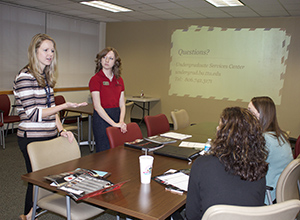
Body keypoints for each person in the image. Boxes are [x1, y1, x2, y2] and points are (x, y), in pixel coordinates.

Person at [13, 33, 87, 220]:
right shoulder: (25, 76)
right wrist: (64, 106)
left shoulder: (46, 77)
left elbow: (51, 110)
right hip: (31, 137)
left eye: (52, 50)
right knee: (36, 179)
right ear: (34, 51)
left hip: (49, 134)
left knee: (49, 178)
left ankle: (31, 214)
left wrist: (61, 130)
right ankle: (29, 215)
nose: (50, 54)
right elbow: (33, 113)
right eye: (45, 50)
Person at [186, 107, 268, 220]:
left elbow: (191, 215)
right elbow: (258, 207)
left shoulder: (202, 164)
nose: (216, 128)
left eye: (220, 125)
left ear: (224, 134)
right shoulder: (259, 167)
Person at [248, 96, 293, 204]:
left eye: (250, 112)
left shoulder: (264, 140)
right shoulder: (280, 136)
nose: (247, 116)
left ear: (262, 115)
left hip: (267, 194)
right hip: (280, 193)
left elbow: (248, 167)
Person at [89, 47, 127, 152]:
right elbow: (97, 106)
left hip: (116, 116)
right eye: (104, 57)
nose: (106, 61)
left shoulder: (119, 80)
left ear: (115, 62)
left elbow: (122, 104)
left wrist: (121, 121)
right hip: (102, 119)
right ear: (100, 60)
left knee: (117, 151)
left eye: (110, 58)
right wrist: (114, 124)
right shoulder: (95, 79)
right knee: (104, 152)